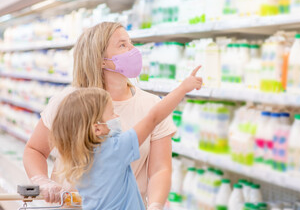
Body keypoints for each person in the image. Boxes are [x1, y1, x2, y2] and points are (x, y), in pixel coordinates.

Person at [23, 22, 177, 209]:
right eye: (122, 45)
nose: (133, 50)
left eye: (131, 42)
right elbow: (35, 150)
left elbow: (160, 169)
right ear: (100, 60)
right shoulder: (68, 101)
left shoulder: (152, 105)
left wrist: (155, 204)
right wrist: (42, 180)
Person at [50, 67, 202, 209]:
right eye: (112, 113)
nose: (117, 116)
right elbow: (153, 117)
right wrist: (183, 88)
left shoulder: (77, 158)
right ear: (97, 128)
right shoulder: (115, 149)